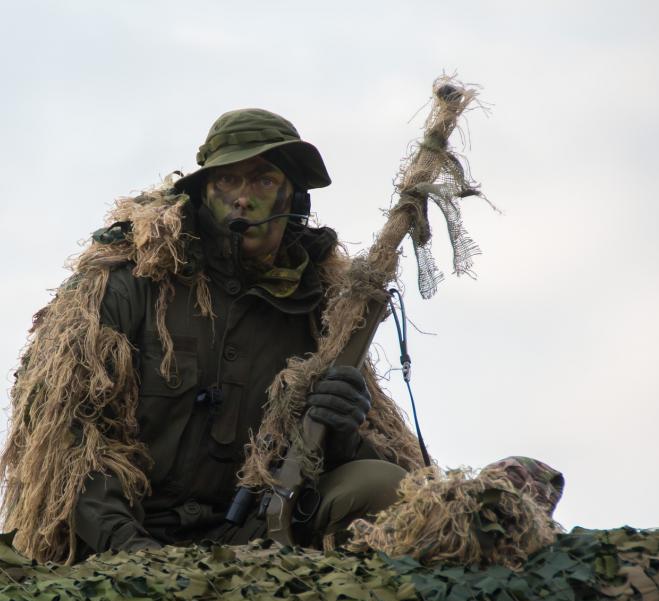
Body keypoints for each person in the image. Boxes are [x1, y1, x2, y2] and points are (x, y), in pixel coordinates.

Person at [0, 108, 423, 564]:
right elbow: (69, 441)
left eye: (263, 181)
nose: (242, 198)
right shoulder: (128, 285)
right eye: (227, 181)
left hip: (256, 535)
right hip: (123, 540)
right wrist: (135, 555)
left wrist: (341, 431)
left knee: (384, 486)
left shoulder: (322, 311)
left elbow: (356, 459)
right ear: (202, 194)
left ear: (295, 200)